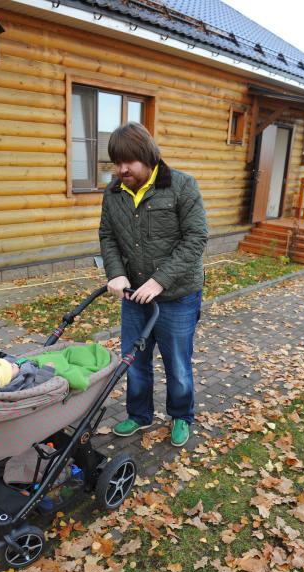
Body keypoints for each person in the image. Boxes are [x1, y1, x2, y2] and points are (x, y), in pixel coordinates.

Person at [99, 122, 208, 447]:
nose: (121, 170)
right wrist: (115, 273)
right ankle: (139, 415)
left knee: (177, 364)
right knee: (135, 360)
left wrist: (159, 281)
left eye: (128, 162)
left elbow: (196, 238)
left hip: (177, 297)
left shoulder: (181, 186)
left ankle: (180, 416)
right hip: (133, 297)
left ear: (147, 156)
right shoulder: (114, 192)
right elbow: (107, 236)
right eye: (116, 163)